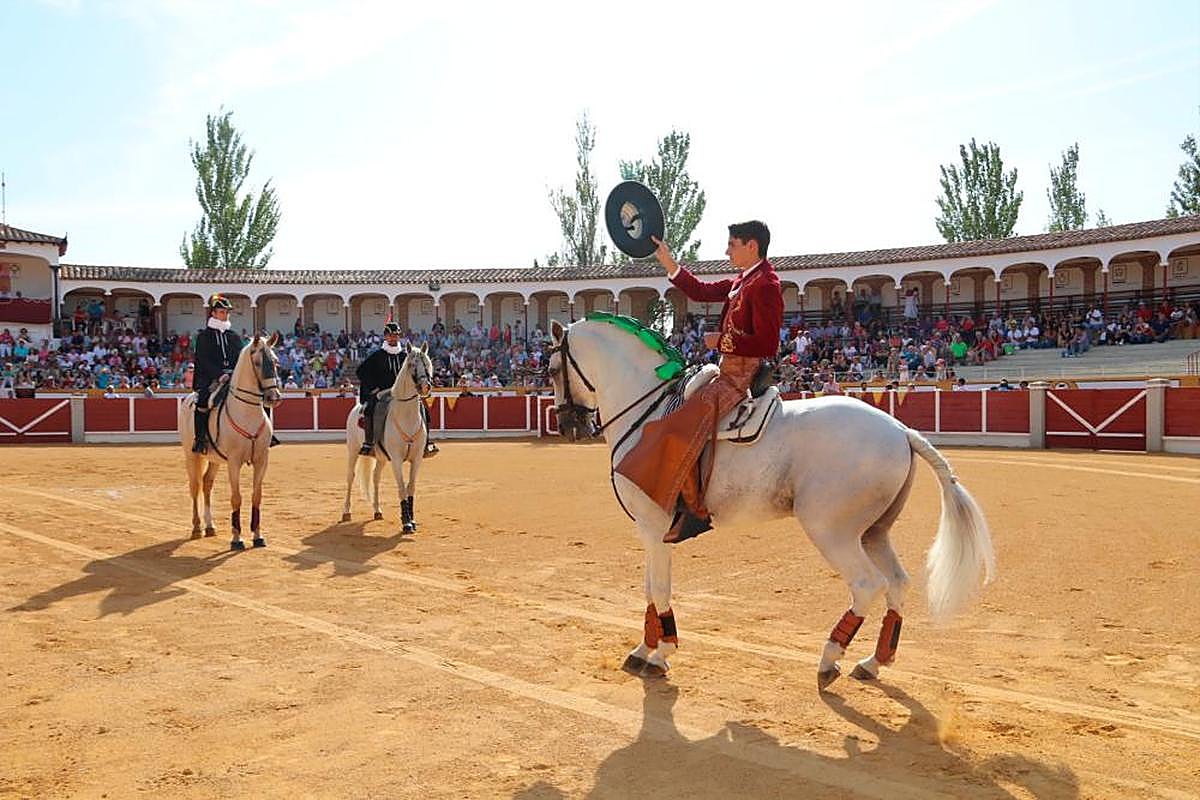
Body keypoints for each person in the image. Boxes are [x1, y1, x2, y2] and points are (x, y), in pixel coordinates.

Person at [617, 221, 784, 544]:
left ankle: (695, 511)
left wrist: (722, 342)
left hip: (740, 376)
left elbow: (767, 343)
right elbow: (702, 291)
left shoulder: (766, 284)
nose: (727, 250)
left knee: (679, 428)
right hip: (727, 370)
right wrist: (667, 261)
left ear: (752, 246)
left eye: (732, 244)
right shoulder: (745, 280)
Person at [356, 321, 439, 458]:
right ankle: (369, 443)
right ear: (385, 337)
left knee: (423, 409)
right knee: (369, 409)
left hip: (402, 393)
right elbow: (360, 372)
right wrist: (374, 388)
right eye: (391, 335)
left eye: (396, 335)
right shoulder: (377, 356)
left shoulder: (404, 357)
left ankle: (426, 443)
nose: (394, 338)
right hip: (384, 392)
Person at [191, 293, 244, 454]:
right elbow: (203, 360)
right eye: (221, 312)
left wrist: (235, 373)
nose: (225, 315)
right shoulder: (204, 336)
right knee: (203, 400)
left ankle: (266, 437)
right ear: (213, 313)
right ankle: (200, 440)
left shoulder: (233, 336)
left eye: (227, 312)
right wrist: (219, 374)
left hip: (233, 377)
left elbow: (240, 358)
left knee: (259, 396)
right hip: (211, 377)